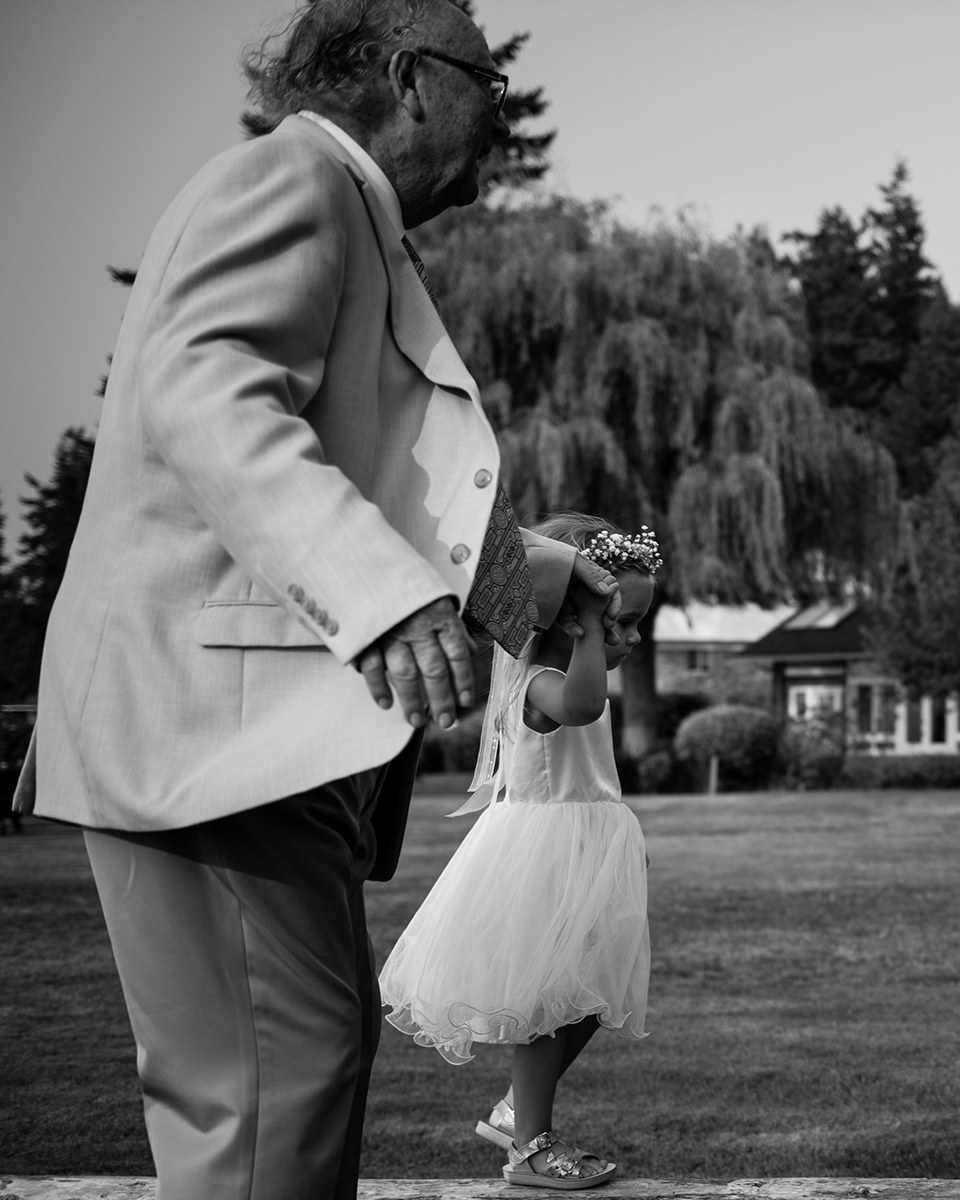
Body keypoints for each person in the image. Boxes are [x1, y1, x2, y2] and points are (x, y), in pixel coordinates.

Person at [10, 2, 619, 1197]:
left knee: (301, 1056)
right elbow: (212, 400)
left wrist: (549, 570)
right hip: (209, 740)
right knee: (270, 1080)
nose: (500, 129)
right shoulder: (292, 184)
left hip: (238, 746)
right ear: (409, 76)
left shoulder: (347, 216)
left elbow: (373, 489)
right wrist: (381, 601)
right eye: (489, 92)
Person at [381, 514, 658, 1190]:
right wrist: (592, 635)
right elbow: (583, 708)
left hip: (587, 844)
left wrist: (592, 629)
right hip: (543, 851)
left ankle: (516, 1111)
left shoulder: (573, 656)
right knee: (547, 1002)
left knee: (593, 993)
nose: (633, 637)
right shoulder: (534, 681)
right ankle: (530, 1146)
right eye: (619, 622)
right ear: (567, 621)